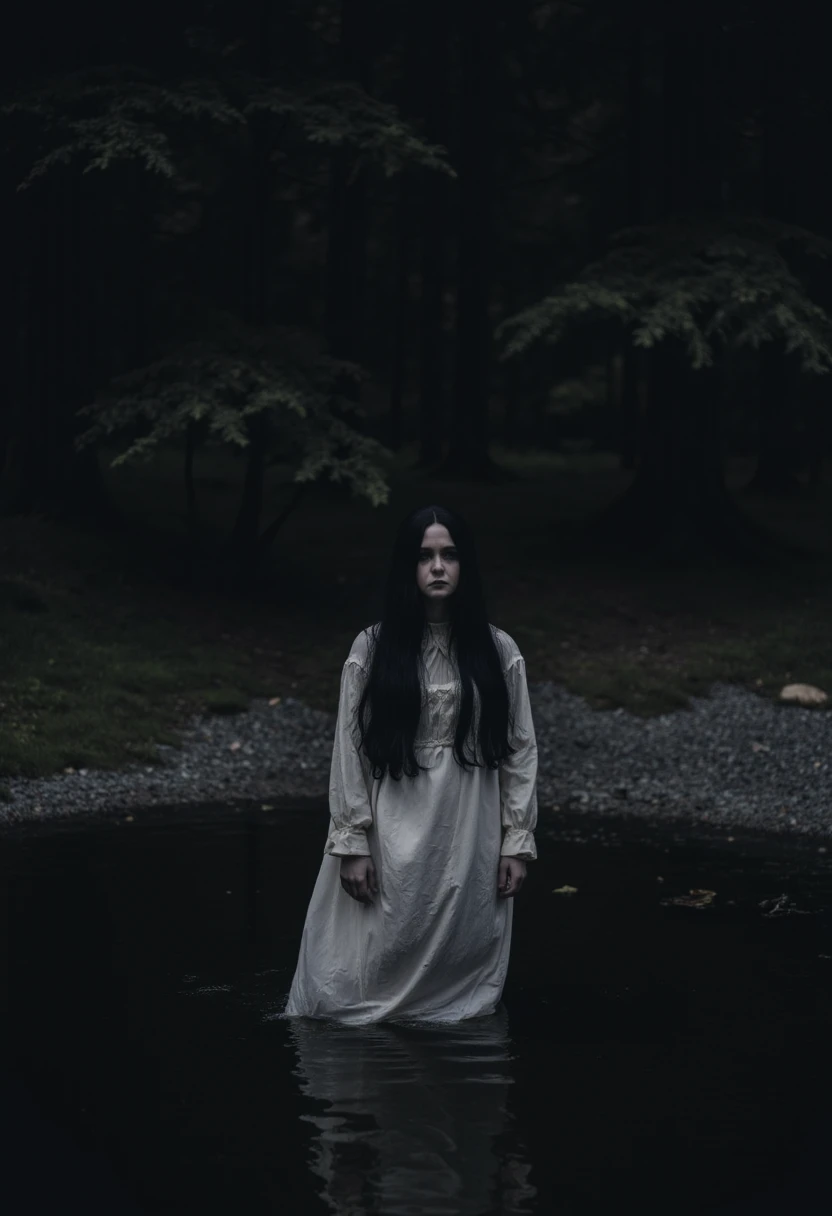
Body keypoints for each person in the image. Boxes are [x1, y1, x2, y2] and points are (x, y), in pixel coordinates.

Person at [282, 504, 538, 1024]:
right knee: (371, 951)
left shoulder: (498, 650)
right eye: (424, 557)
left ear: (466, 566)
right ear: (408, 567)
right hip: (392, 822)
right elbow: (348, 748)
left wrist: (517, 839)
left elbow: (519, 749)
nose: (438, 568)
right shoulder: (373, 649)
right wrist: (351, 841)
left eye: (449, 555)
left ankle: (445, 1054)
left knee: (458, 953)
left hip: (469, 830)